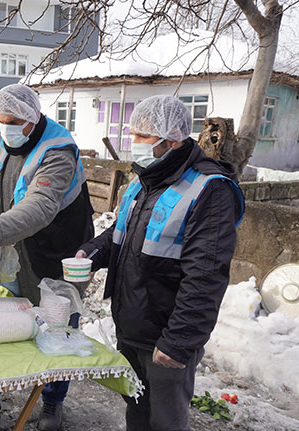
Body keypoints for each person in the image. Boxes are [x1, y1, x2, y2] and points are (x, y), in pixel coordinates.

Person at [75, 95, 245, 431]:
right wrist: (91, 253)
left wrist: (178, 342)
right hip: (134, 324)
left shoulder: (209, 189)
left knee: (165, 420)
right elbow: (120, 234)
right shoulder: (144, 181)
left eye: (140, 136)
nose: (132, 142)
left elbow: (206, 276)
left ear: (171, 140)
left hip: (166, 335)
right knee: (137, 410)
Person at [0, 83, 95, 430]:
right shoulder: (15, 140)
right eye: (2, 121)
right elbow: (8, 174)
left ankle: (52, 402)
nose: (7, 128)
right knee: (5, 323)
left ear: (33, 118)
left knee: (57, 327)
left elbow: (40, 205)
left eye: (14, 121)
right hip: (18, 248)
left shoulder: (58, 151)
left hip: (56, 253)